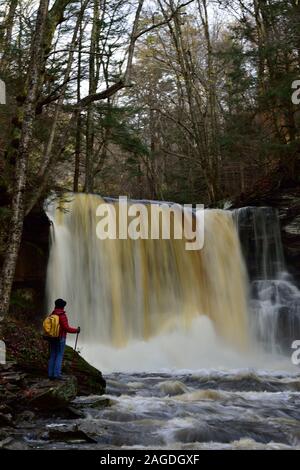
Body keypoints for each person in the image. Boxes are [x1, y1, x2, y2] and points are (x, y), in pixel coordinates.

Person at [48, 298, 80, 380]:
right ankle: (57, 374)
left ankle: (50, 374)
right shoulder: (62, 315)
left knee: (52, 355)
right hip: (60, 338)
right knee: (59, 355)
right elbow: (67, 328)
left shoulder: (52, 314)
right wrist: (76, 330)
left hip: (52, 337)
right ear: (62, 307)